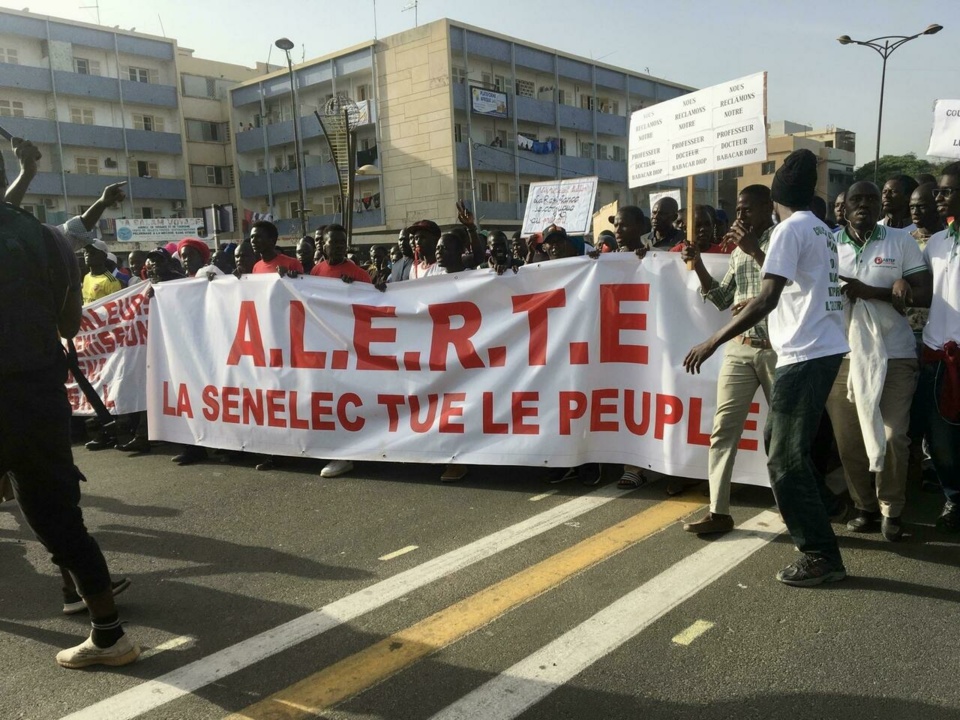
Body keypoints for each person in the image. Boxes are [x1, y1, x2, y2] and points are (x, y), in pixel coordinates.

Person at [0, 143, 140, 668]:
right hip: (37, 394)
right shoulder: (50, 242)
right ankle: (109, 633)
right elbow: (67, 326)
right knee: (60, 520)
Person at [684, 148, 849, 587]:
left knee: (785, 458)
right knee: (779, 442)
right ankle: (826, 512)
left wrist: (712, 340)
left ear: (776, 196)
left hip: (806, 352)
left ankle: (820, 553)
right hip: (818, 348)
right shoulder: (820, 228)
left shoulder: (790, 230)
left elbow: (767, 297)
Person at [826, 181, 930, 541]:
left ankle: (891, 508)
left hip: (896, 354)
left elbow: (924, 292)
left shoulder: (900, 241)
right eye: (857, 199)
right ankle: (864, 505)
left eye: (871, 199)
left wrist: (883, 291)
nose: (865, 205)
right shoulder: (830, 244)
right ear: (844, 206)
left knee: (893, 436)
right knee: (850, 439)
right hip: (844, 356)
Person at [677, 186, 778, 534]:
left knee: (782, 433)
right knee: (723, 430)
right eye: (737, 210)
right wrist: (699, 264)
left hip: (777, 348)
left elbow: (793, 284)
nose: (740, 217)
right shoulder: (738, 249)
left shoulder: (783, 237)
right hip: (739, 346)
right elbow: (722, 299)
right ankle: (719, 511)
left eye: (747, 209)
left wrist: (756, 251)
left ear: (768, 207)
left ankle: (795, 507)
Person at [919, 162, 960, 532]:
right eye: (938, 191)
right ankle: (953, 500)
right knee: (942, 439)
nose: (939, 197)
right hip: (937, 355)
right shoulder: (935, 243)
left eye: (946, 191)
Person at [82, 239, 122, 304]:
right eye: (86, 251)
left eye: (92, 252)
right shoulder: (86, 277)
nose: (87, 255)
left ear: (104, 256)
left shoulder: (111, 281)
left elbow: (116, 307)